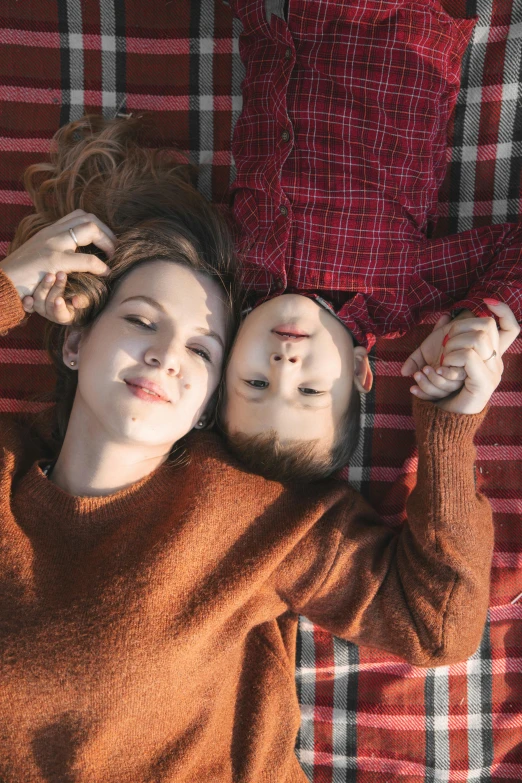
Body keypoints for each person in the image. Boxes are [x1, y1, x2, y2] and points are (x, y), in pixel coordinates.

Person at [0, 113, 519, 783]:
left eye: (201, 349)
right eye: (139, 320)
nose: (164, 355)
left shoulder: (252, 511)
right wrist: (11, 286)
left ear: (208, 402)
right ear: (75, 342)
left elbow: (435, 624)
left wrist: (448, 424)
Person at [221, 0, 522, 480]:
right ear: (361, 371)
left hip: (288, 20)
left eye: (255, 381)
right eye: (310, 391)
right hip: (402, 31)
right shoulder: (398, 297)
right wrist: (480, 316)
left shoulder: (224, 268)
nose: (284, 364)